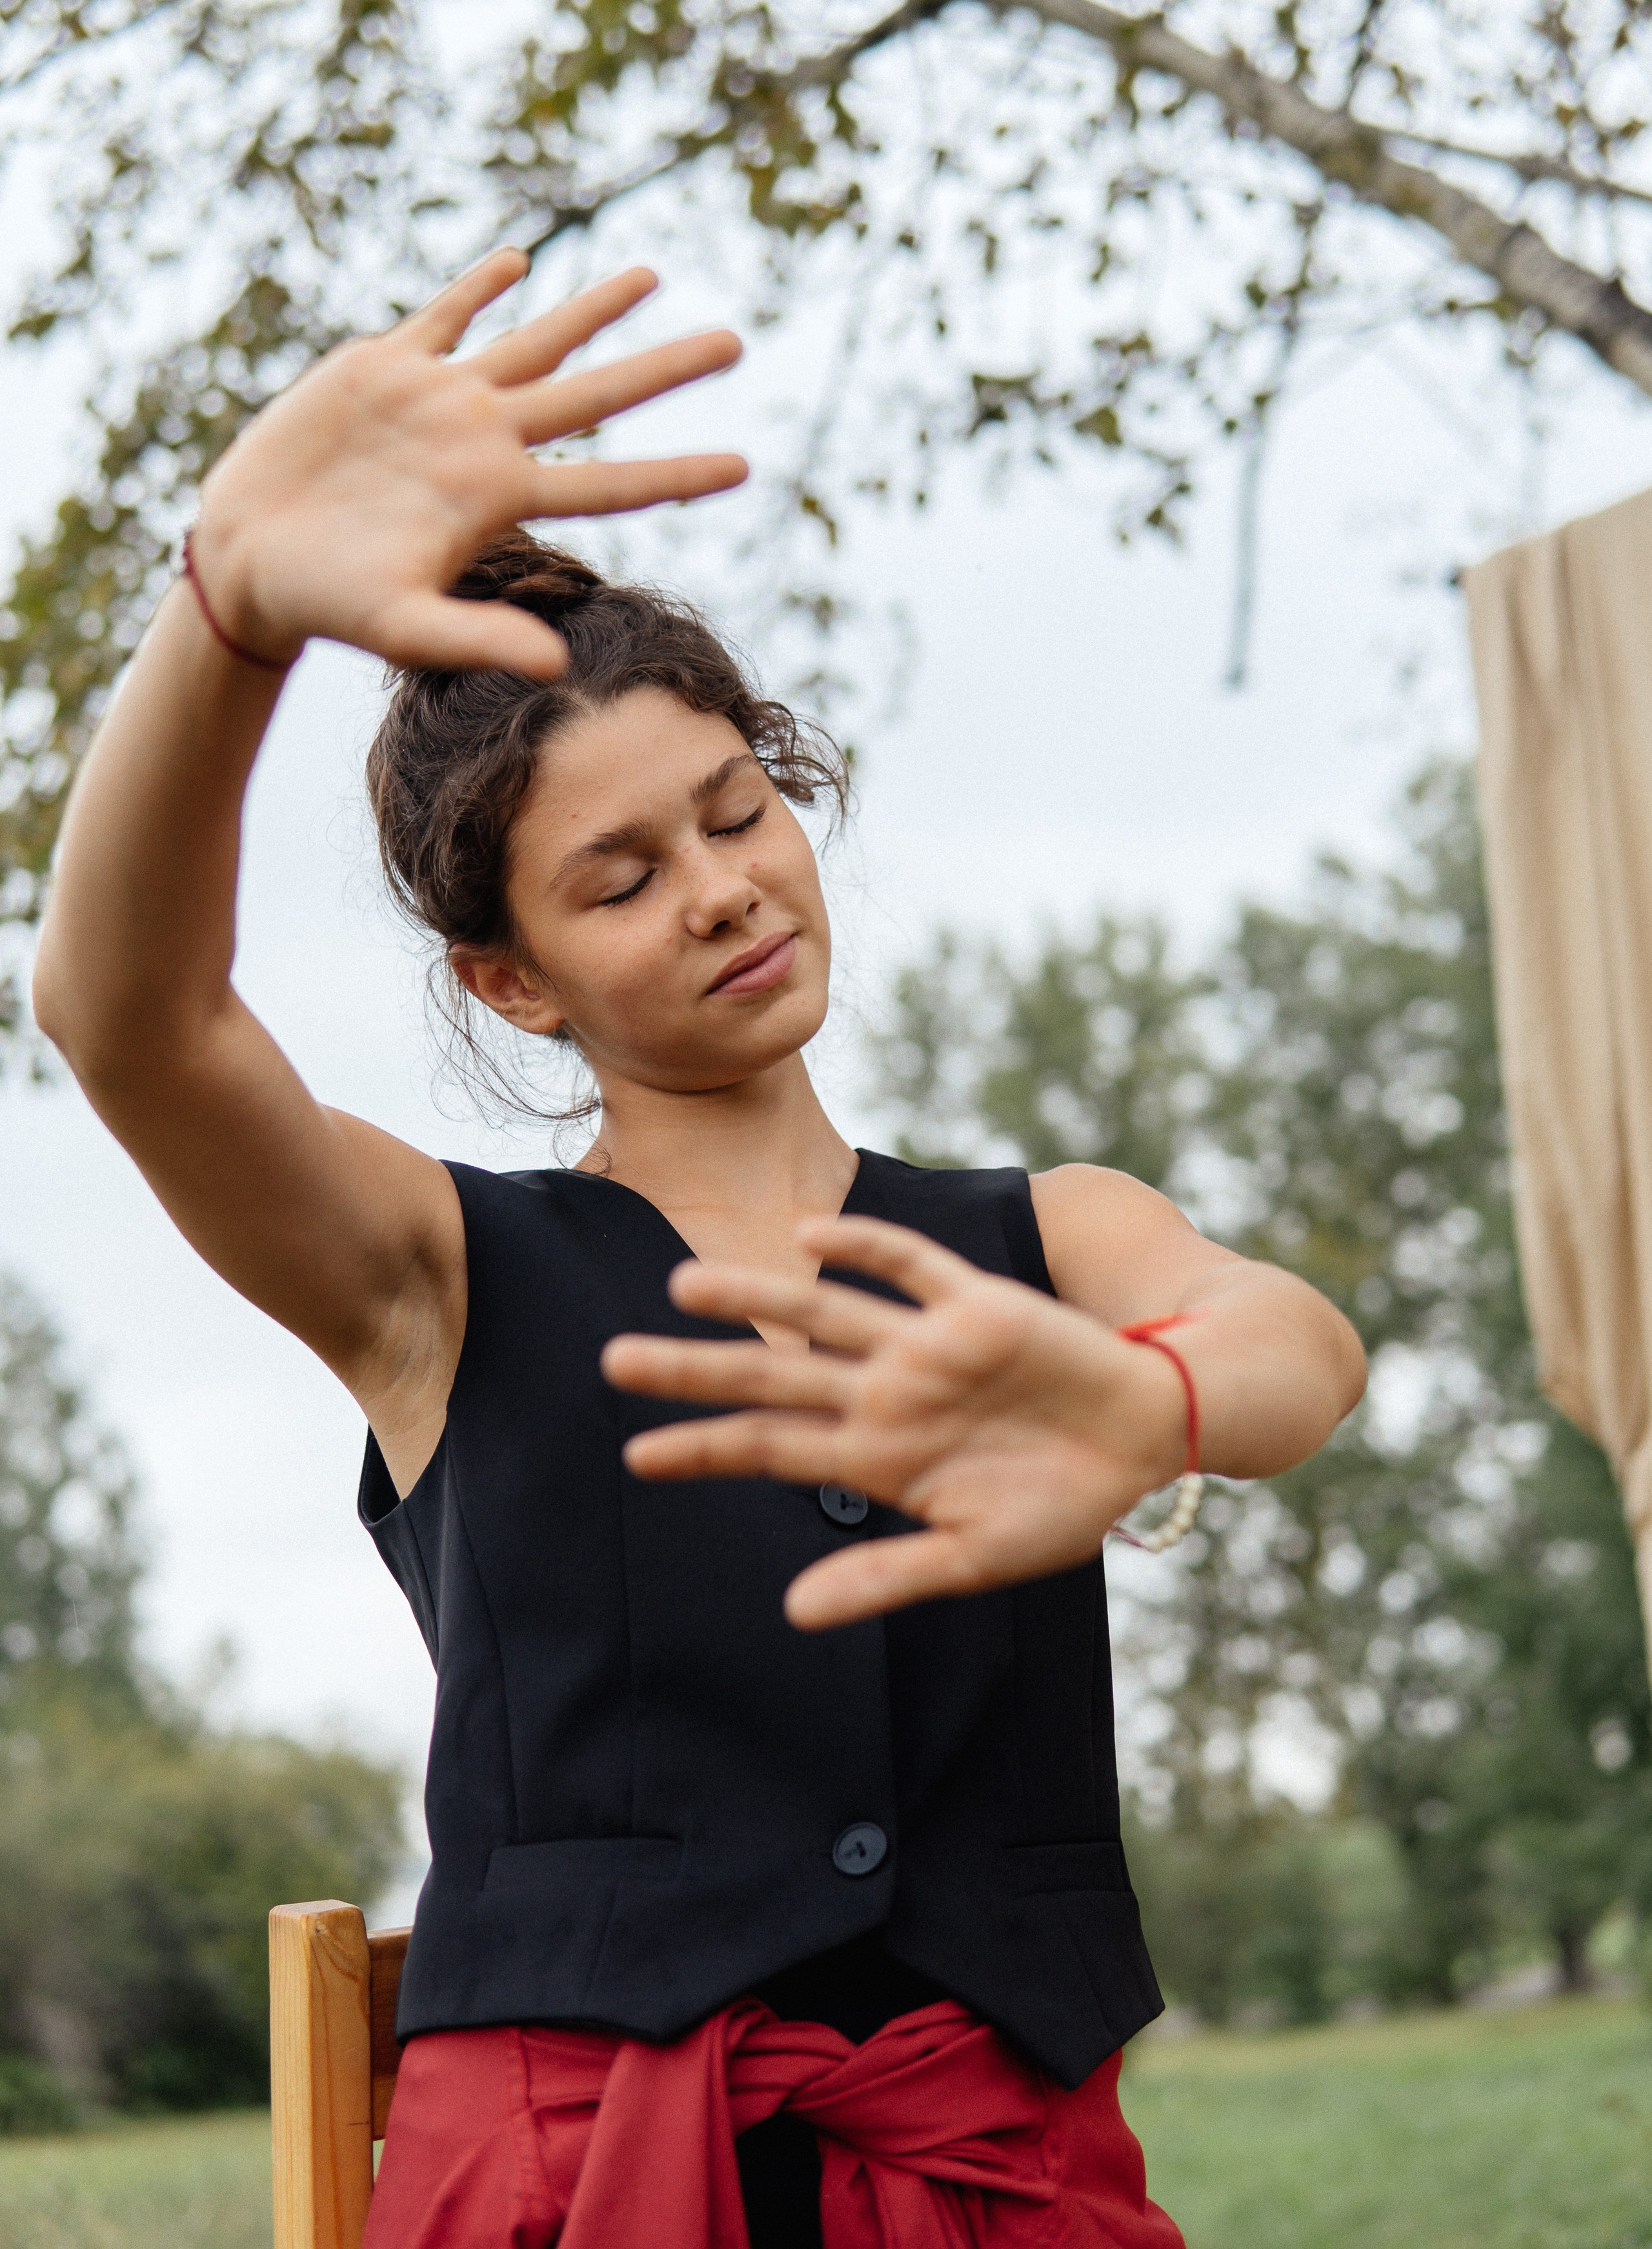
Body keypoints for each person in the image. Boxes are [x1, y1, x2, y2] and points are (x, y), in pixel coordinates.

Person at [32, 249, 1366, 2248]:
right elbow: (122, 1015)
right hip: (576, 2193)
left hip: (999, 2185)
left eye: (739, 810)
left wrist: (1149, 1395)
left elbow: (1297, 1345)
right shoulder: (433, 1270)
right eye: (624, 877)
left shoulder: (1045, 1238)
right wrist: (224, 612)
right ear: (512, 983)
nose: (726, 892)